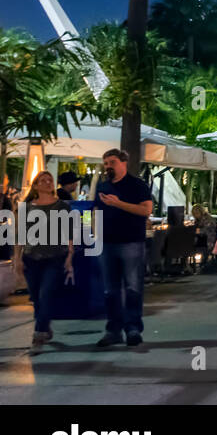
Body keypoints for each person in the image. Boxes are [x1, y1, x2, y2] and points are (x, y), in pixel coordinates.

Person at [94, 148, 153, 347]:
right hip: (106, 243)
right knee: (110, 290)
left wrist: (119, 204)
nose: (108, 166)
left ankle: (133, 328)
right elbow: (93, 210)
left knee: (133, 287)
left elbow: (146, 210)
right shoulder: (102, 186)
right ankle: (113, 330)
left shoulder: (137, 185)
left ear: (123, 163)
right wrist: (89, 231)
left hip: (131, 242)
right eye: (106, 163)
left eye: (112, 162)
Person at [15, 171, 75, 347]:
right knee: (36, 296)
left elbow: (69, 232)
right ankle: (45, 324)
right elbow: (20, 235)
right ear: (35, 185)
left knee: (46, 293)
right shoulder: (26, 208)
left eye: (50, 180)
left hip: (54, 256)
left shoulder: (62, 207)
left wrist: (70, 255)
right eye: (43, 180)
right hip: (31, 257)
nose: (48, 183)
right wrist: (17, 259)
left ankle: (39, 332)